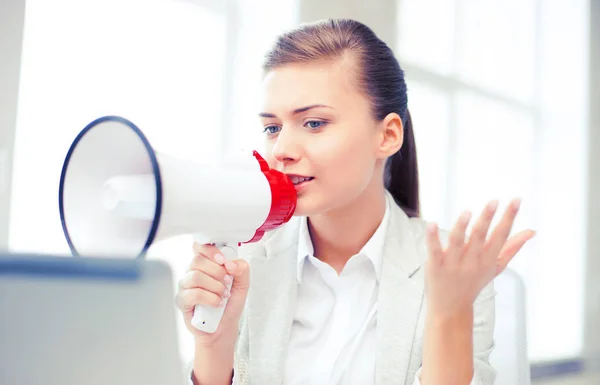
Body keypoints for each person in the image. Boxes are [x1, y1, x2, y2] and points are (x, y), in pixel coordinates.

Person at [175, 18, 535, 385]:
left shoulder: (454, 270)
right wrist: (213, 345)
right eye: (272, 128)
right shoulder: (246, 264)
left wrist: (449, 314)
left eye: (314, 123)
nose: (281, 150)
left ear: (388, 135)